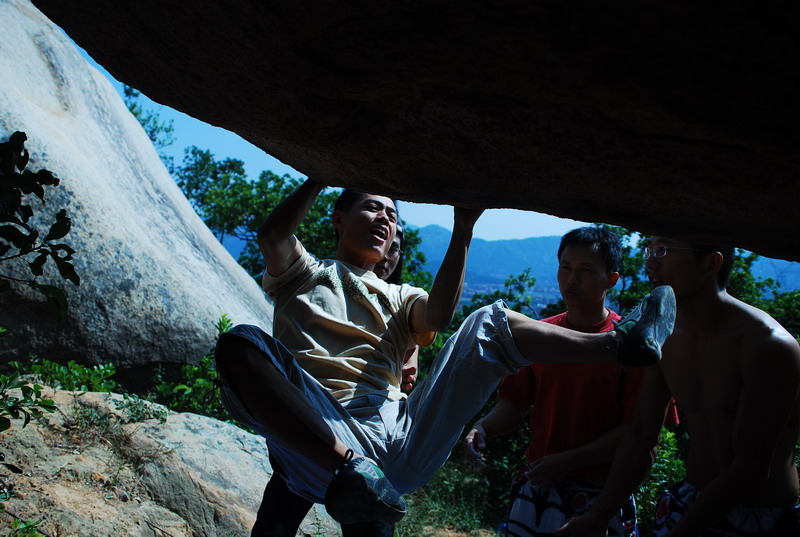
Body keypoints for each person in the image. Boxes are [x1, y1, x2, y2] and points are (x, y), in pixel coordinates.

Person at [214, 178, 676, 532]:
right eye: (372, 207)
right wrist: (319, 175)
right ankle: (351, 469)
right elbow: (273, 234)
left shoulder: (401, 297)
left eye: (392, 215)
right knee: (242, 341)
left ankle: (617, 345)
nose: (384, 219)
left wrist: (464, 228)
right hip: (318, 433)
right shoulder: (305, 273)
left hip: (396, 442)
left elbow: (438, 314)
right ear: (338, 218)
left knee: (488, 321)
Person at [560, 236, 800, 537]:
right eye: (649, 250)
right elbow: (642, 434)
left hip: (762, 517)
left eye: (663, 251)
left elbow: (750, 469)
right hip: (689, 499)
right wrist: (598, 515)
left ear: (710, 264)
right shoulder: (663, 334)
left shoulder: (766, 345)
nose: (650, 263)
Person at [464, 226, 679, 537]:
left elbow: (641, 430)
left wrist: (568, 461)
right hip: (539, 483)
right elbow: (514, 405)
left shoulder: (638, 346)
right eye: (565, 268)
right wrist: (483, 427)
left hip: (604, 494)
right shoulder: (540, 335)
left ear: (612, 279)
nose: (571, 279)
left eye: (585, 270)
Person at [251, 223, 417, 537]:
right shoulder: (327, 282)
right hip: (316, 417)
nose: (386, 255)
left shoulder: (401, 305)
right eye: (385, 245)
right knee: (280, 513)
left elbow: (409, 362)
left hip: (366, 435)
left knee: (365, 521)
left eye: (394, 249)